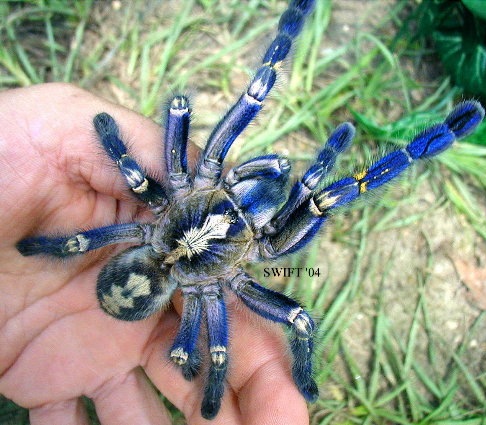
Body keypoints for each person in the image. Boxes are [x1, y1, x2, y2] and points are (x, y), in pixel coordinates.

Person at [0, 83, 310, 425]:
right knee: (216, 354)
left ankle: (43, 249)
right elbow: (213, 352)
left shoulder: (168, 200)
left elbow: (134, 174)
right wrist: (188, 359)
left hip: (142, 257)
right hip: (145, 274)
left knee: (177, 110)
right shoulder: (205, 296)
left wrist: (116, 143)